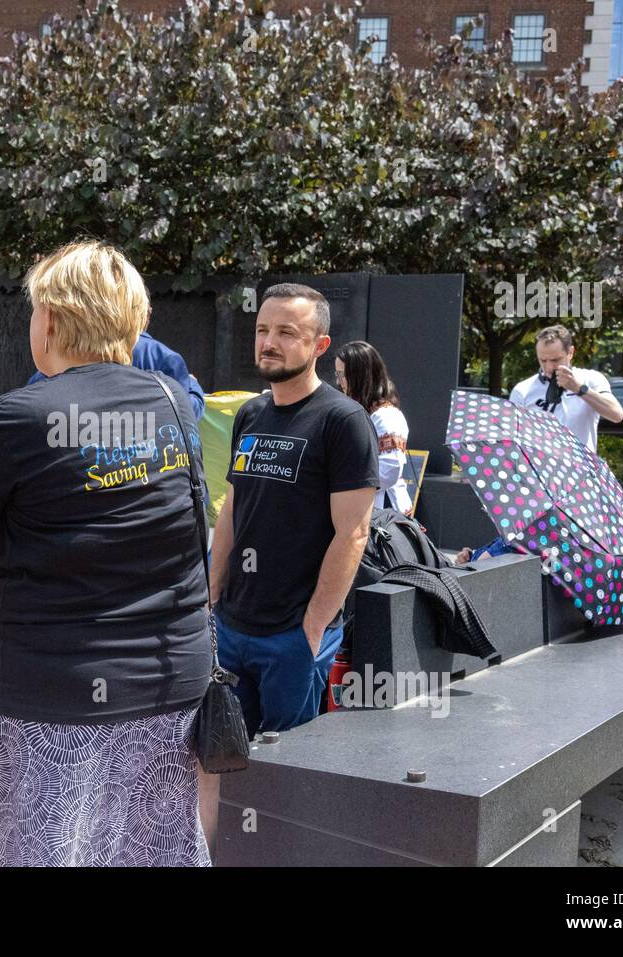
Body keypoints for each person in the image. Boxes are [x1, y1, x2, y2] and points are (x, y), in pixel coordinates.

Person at [0, 240, 212, 867]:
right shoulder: (174, 406)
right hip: (165, 690)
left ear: (55, 320)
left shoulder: (15, 418)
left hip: (50, 698)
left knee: (44, 848)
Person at [201, 284, 379, 846]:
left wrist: (313, 626)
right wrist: (210, 595)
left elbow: (353, 532)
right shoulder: (251, 414)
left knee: (288, 775)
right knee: (220, 761)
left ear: (320, 344)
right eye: (262, 330)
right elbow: (232, 507)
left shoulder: (342, 421)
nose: (269, 343)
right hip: (232, 626)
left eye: (286, 333)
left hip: (293, 635)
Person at [26, 327, 206, 419]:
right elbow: (184, 414)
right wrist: (194, 385)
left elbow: (33, 404)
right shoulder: (165, 357)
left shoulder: (64, 354)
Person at [507, 324, 623, 452]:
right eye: (543, 360)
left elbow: (616, 414)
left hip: (581, 467)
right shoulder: (523, 390)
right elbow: (512, 437)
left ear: (570, 353)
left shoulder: (591, 379)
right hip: (540, 467)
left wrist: (578, 388)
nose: (549, 367)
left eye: (556, 360)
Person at [335, 340, 412, 514]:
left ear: (359, 376)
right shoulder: (364, 412)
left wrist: (344, 481)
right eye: (337, 375)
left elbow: (389, 470)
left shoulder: (386, 417)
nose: (339, 382)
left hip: (382, 513)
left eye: (342, 375)